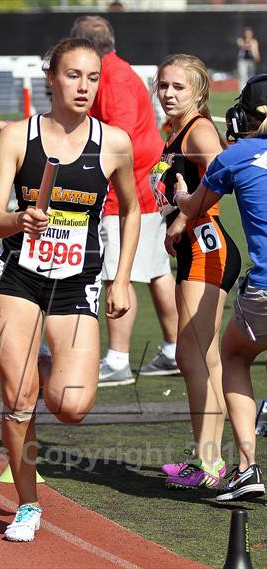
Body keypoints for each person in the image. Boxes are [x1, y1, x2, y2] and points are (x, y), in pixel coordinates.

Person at [0, 37, 140, 541]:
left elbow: (134, 209)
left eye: (93, 78)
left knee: (71, 407)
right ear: (50, 77)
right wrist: (16, 218)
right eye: (74, 76)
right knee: (18, 398)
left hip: (77, 282)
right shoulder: (16, 137)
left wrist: (120, 278)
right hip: (19, 278)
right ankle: (27, 504)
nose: (84, 87)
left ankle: (44, 363)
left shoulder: (113, 142)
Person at [70, 16, 179, 384]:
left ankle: (118, 361)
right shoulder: (118, 71)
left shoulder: (112, 77)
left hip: (128, 189)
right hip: (144, 182)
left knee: (120, 275)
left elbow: (119, 136)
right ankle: (173, 350)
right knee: (157, 271)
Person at [174, 74, 267, 501]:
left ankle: (248, 467)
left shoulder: (239, 155)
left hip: (263, 293)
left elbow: (195, 206)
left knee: (231, 355)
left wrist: (179, 196)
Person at [152, 54, 241, 488]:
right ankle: (211, 461)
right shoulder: (175, 130)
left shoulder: (199, 129)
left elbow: (225, 172)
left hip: (209, 248)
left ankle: (208, 464)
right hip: (195, 251)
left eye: (178, 88)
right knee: (203, 358)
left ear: (199, 92)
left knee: (191, 355)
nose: (168, 94)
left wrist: (185, 217)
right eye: (163, 85)